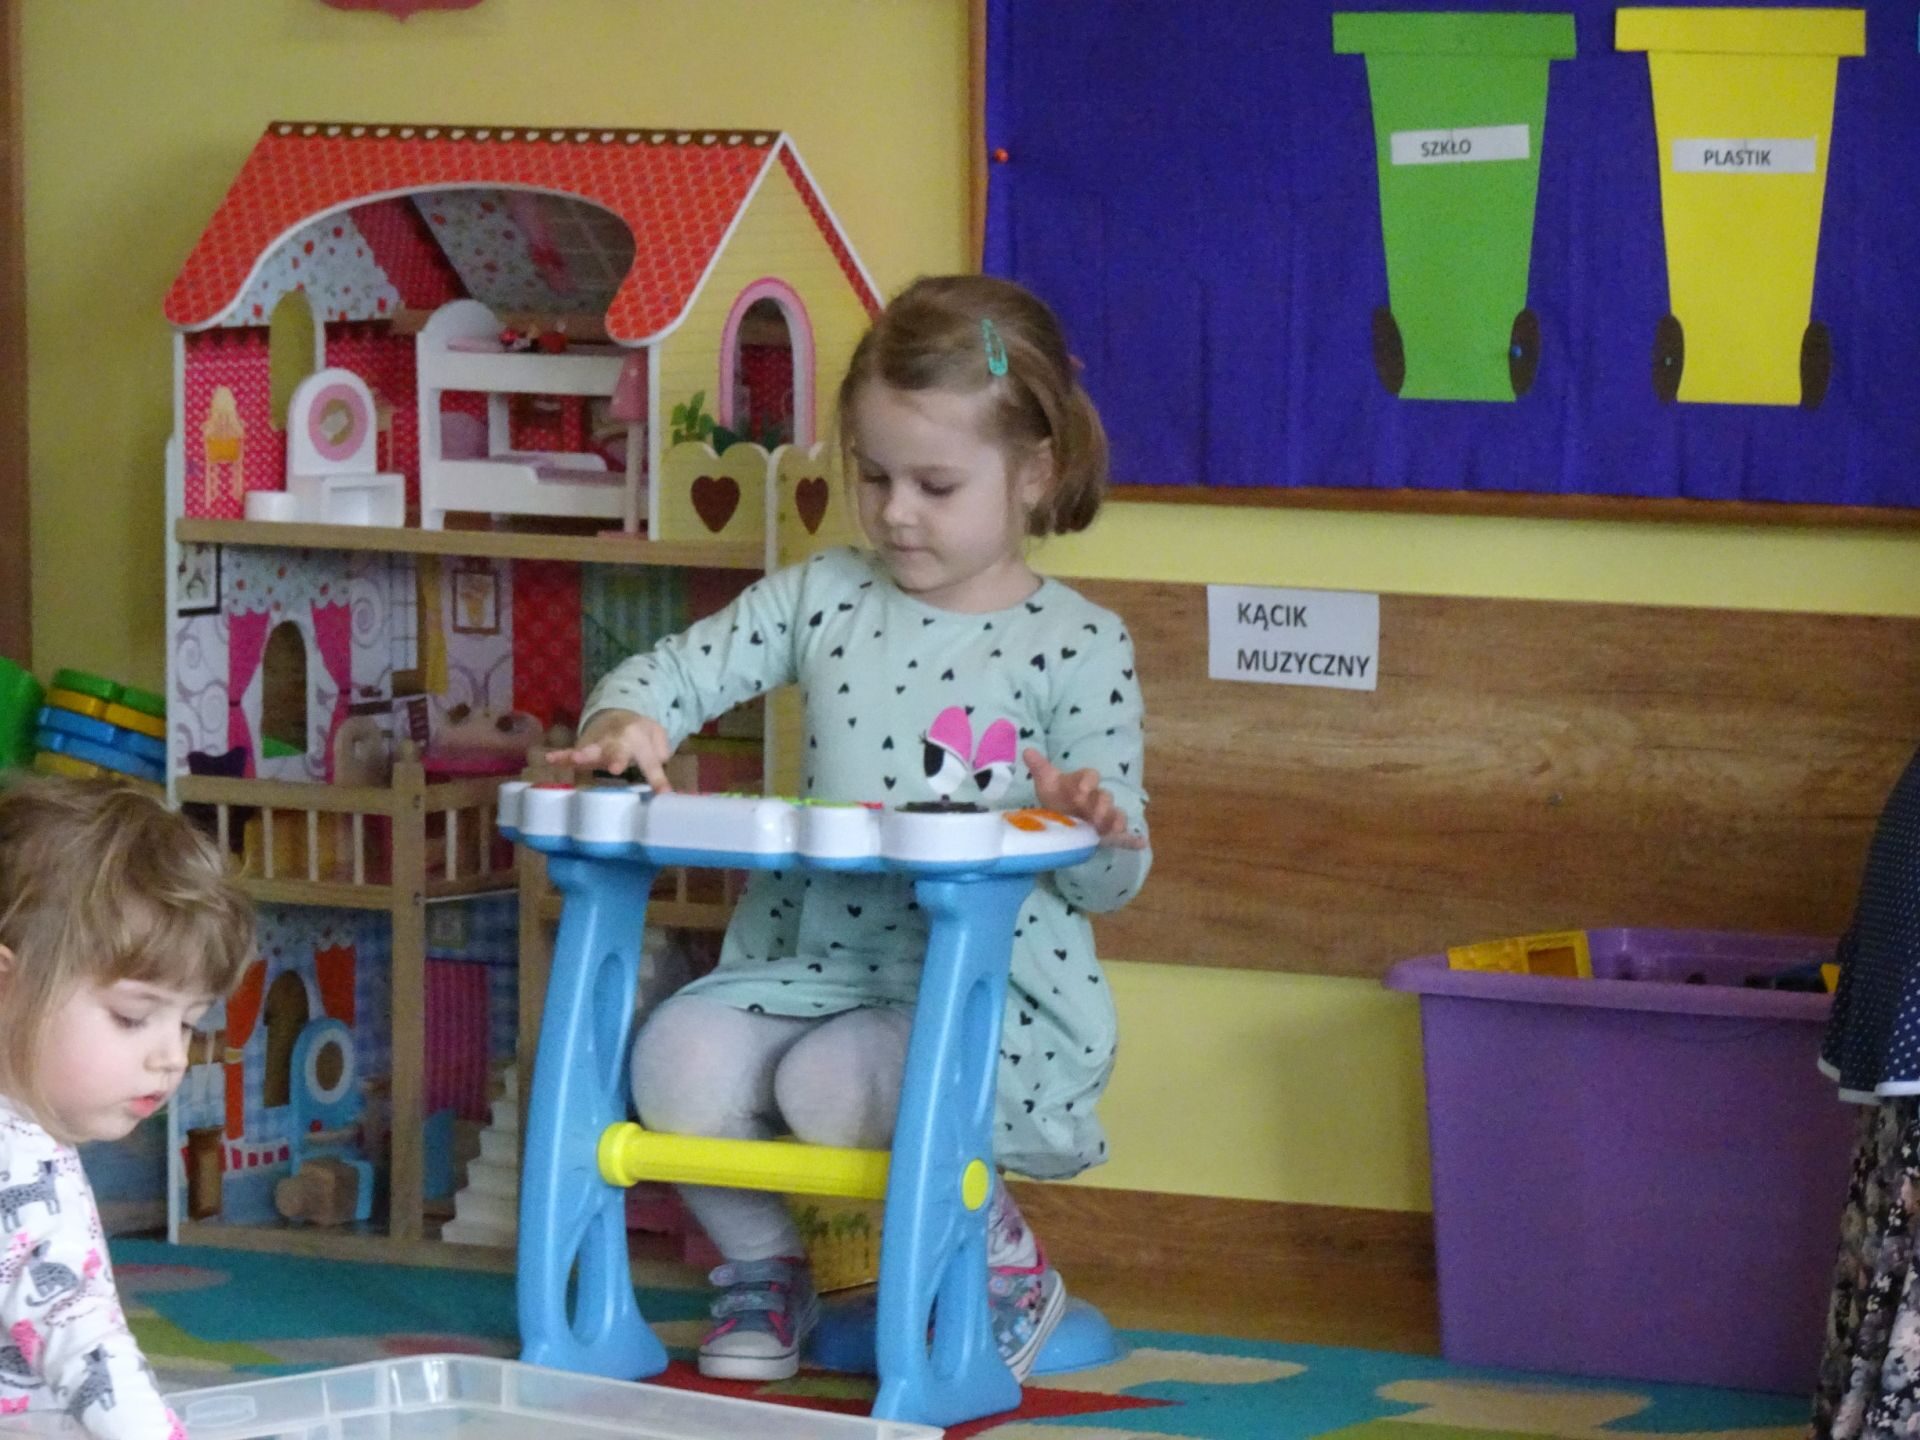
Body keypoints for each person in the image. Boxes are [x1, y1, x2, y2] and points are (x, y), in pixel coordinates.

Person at [550, 274, 1150, 1382]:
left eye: (936, 483)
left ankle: (1005, 1262)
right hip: (804, 961)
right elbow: (679, 669)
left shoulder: (1080, 643)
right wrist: (624, 720)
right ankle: (764, 1270)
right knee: (672, 1060)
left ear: (1033, 473)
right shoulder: (822, 594)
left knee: (829, 1086)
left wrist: (1090, 825)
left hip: (971, 987)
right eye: (874, 476)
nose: (896, 511)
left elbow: (1113, 887)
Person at [0, 777, 254, 1437]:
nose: (171, 1057)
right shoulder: (23, 1163)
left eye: (187, 1023)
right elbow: (82, 1341)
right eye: (132, 1017)